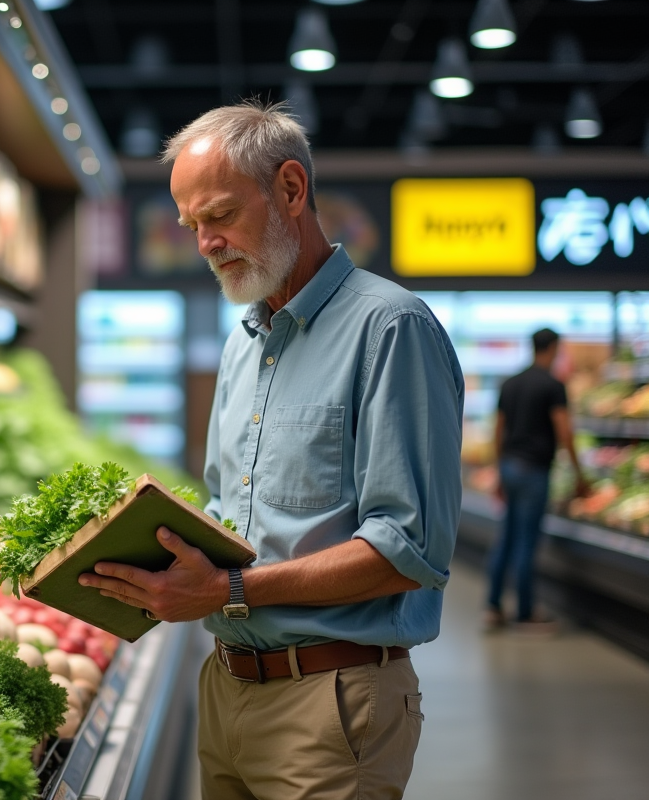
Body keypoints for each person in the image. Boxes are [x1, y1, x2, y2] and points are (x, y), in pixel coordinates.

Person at [77, 100, 464, 800]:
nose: (204, 242)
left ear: (291, 188)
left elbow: (408, 550)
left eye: (220, 215)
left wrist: (226, 589)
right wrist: (142, 546)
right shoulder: (242, 343)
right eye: (192, 224)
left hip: (330, 704)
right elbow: (233, 511)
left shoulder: (390, 329)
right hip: (226, 690)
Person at [486, 328, 588, 633]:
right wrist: (580, 475)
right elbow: (565, 431)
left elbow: (499, 428)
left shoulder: (511, 384)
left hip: (510, 467)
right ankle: (526, 612)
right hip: (534, 471)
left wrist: (499, 469)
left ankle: (493, 607)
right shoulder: (554, 386)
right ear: (554, 348)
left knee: (506, 538)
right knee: (527, 543)